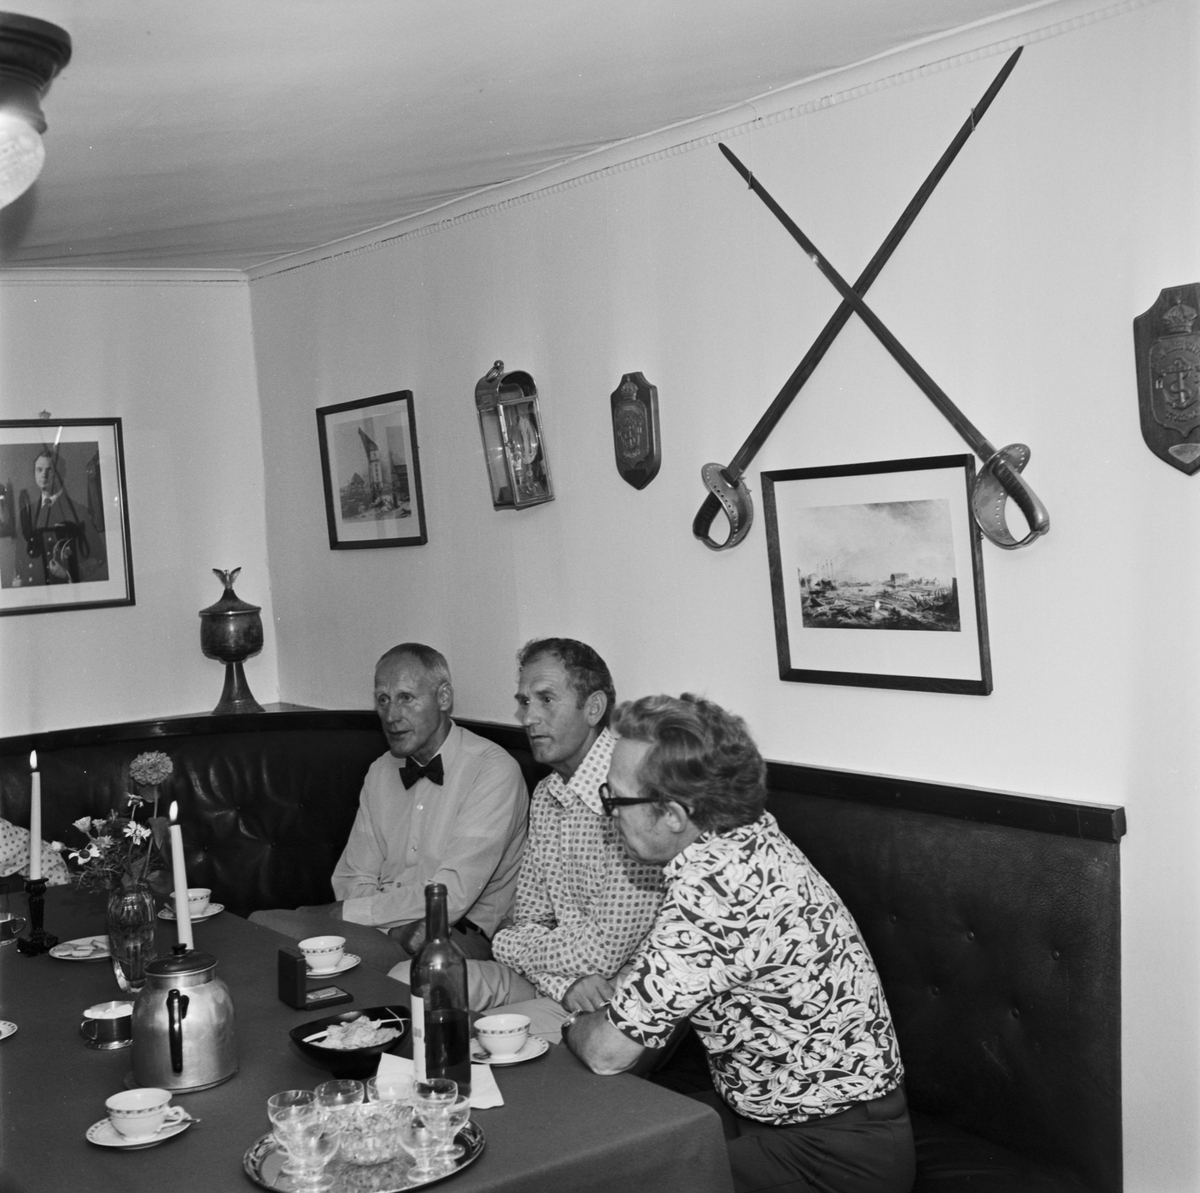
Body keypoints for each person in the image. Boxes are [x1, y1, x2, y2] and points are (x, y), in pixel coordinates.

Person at [565, 694, 914, 1193]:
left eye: (615, 801)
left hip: (834, 1152)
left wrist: (575, 1026)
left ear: (673, 815)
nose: (608, 815)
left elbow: (606, 1052)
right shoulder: (742, 834)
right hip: (771, 1114)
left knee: (604, 1176)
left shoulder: (717, 890)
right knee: (598, 1145)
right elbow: (671, 974)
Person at [391, 638, 664, 1034]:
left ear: (593, 708)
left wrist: (515, 948)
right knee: (404, 980)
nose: (529, 717)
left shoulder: (631, 793)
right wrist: (556, 979)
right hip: (554, 982)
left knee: (480, 1040)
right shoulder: (547, 793)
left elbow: (601, 956)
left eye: (546, 699)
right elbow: (523, 921)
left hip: (608, 1000)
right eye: (524, 702)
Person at [251, 643, 528, 973]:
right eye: (383, 699)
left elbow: (450, 897)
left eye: (406, 698)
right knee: (260, 925)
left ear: (443, 698)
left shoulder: (492, 771)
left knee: (280, 940)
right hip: (385, 929)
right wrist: (389, 929)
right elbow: (353, 877)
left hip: (456, 935)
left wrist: (348, 914)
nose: (392, 716)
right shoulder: (381, 770)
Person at [17, 448, 105, 586]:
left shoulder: (78, 511)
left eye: (50, 470)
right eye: (39, 470)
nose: (44, 475)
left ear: (61, 474)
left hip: (62, 590)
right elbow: (20, 558)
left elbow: (99, 557)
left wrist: (69, 573)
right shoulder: (27, 513)